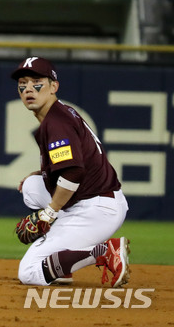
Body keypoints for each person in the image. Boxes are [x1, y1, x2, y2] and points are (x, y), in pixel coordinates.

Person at [12, 56, 130, 287]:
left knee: (29, 272)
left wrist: (49, 213)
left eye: (37, 82)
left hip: (96, 210)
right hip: (95, 199)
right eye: (22, 83)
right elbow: (80, 159)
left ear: (53, 86)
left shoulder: (57, 123)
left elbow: (74, 172)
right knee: (31, 187)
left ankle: (105, 252)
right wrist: (43, 172)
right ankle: (62, 267)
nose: (28, 88)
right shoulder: (60, 114)